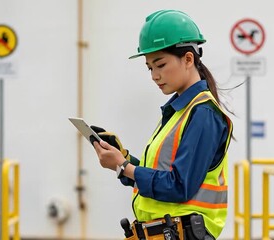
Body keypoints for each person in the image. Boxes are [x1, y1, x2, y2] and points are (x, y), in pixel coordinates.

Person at [92, 9, 233, 240]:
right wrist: (122, 160)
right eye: (150, 67)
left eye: (160, 65)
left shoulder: (203, 114)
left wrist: (125, 167)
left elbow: (179, 186)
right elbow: (160, 175)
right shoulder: (178, 112)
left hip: (184, 234)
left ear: (188, 59)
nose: (154, 76)